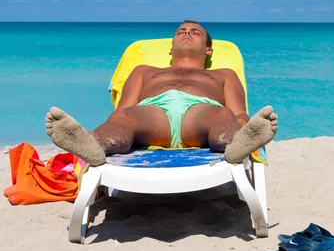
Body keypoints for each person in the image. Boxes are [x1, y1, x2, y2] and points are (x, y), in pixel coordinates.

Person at [45, 20, 278, 166]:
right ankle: (95, 144)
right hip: (153, 114)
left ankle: (236, 143)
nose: (187, 33)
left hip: (202, 112)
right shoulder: (144, 70)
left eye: (195, 32)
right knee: (123, 119)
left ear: (208, 49)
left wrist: (247, 127)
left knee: (222, 117)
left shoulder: (224, 73)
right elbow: (123, 109)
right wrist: (116, 123)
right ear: (171, 48)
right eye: (181, 31)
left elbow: (238, 111)